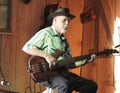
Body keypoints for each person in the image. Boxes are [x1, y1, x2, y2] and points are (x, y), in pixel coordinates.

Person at [22, 8, 98, 93]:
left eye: (68, 21)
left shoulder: (64, 41)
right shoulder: (46, 33)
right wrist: (47, 56)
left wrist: (85, 61)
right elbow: (27, 48)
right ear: (55, 20)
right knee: (65, 85)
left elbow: (70, 63)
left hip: (62, 73)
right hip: (46, 73)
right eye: (64, 20)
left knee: (91, 86)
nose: (67, 23)